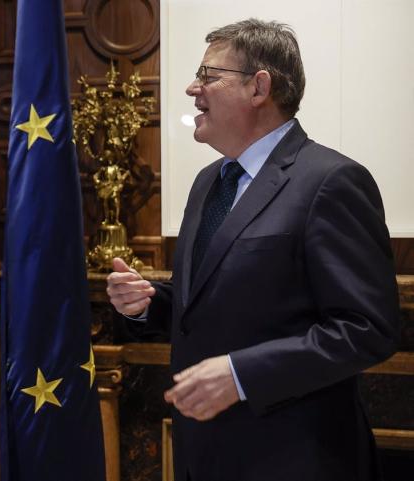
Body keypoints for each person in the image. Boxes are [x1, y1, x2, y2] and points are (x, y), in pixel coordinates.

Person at [106, 19, 400, 481]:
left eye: (207, 75)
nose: (192, 88)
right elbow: (212, 303)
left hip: (293, 460)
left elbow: (367, 329)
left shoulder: (332, 181)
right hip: (203, 455)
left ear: (259, 87)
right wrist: (148, 304)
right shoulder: (209, 181)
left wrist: (242, 375)